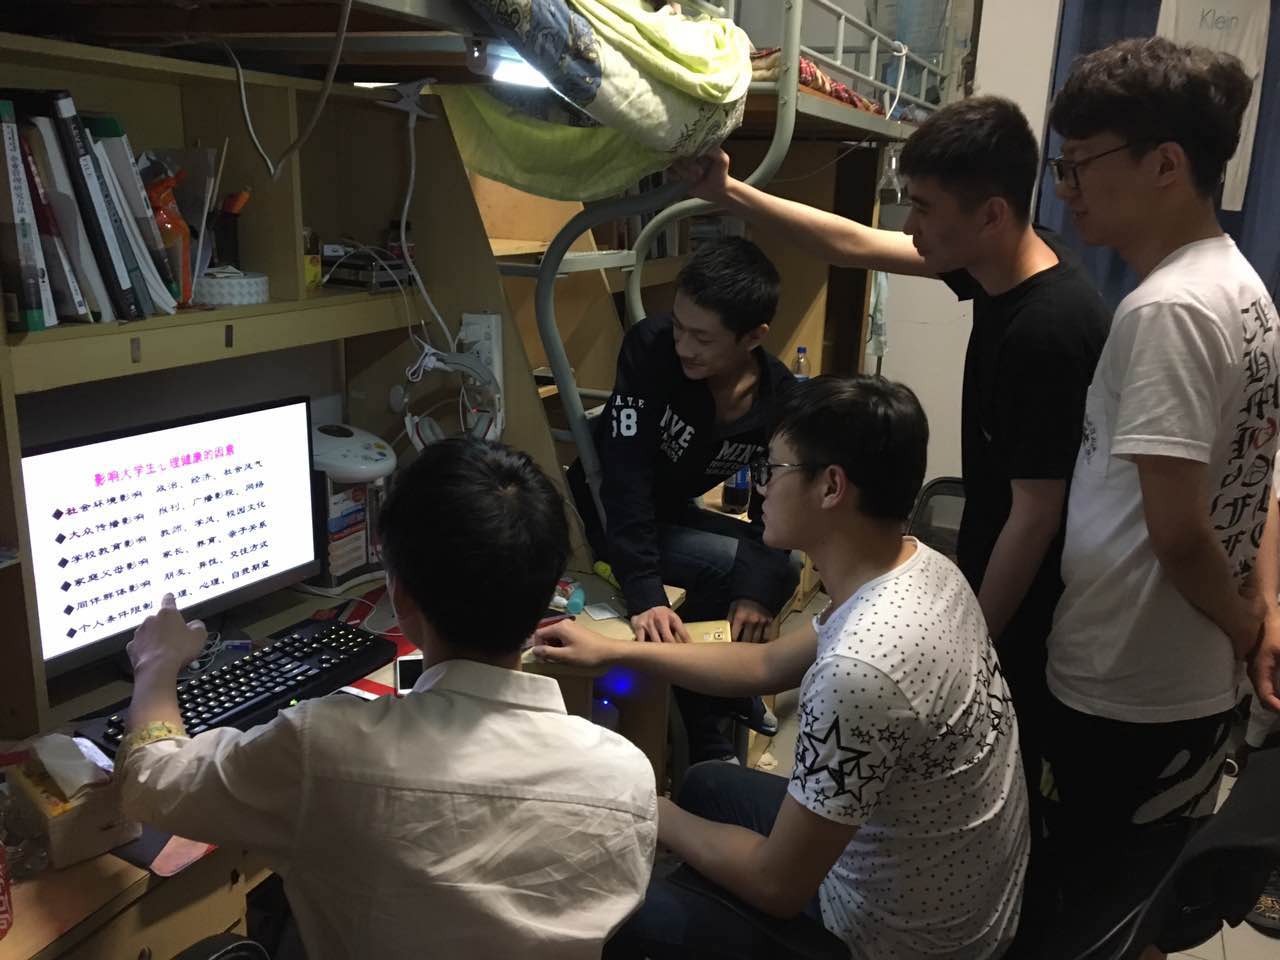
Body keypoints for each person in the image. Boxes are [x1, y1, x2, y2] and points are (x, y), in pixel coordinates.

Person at [675, 98, 1109, 863]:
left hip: (1033, 608)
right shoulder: (998, 265)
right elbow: (851, 243)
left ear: (991, 215)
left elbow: (1037, 514)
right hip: (995, 580)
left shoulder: (1047, 329)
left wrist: (974, 640)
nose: (910, 226)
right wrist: (729, 193)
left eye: (924, 207)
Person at [540, 376, 1029, 960]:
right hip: (951, 881)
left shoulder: (863, 669)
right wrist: (618, 651)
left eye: (773, 469)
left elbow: (777, 886)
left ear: (831, 487)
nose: (762, 487)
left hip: (904, 941)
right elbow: (768, 663)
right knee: (704, 784)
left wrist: (640, 803)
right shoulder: (921, 566)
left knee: (621, 914)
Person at [118, 438, 657, 959]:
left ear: (399, 595)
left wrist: (156, 664)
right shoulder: (625, 777)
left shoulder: (324, 750)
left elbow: (152, 781)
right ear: (549, 595)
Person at [1038, 36, 1279, 932]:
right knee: (1133, 905)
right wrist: (1260, 612)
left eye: (1080, 163)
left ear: (1166, 165)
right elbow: (1259, 475)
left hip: (1127, 681)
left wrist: (1248, 625)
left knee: (1095, 917)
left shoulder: (1170, 310)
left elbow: (1177, 533)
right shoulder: (1242, 287)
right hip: (1185, 674)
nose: (1067, 187)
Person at [569, 236, 799, 762]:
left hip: (670, 513)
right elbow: (623, 475)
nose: (683, 346)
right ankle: (703, 726)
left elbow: (774, 505)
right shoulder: (651, 347)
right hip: (607, 510)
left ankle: (726, 686)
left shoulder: (779, 397)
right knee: (726, 568)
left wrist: (756, 593)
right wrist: (645, 591)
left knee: (777, 570)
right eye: (679, 326)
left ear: (753, 337)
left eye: (702, 337)